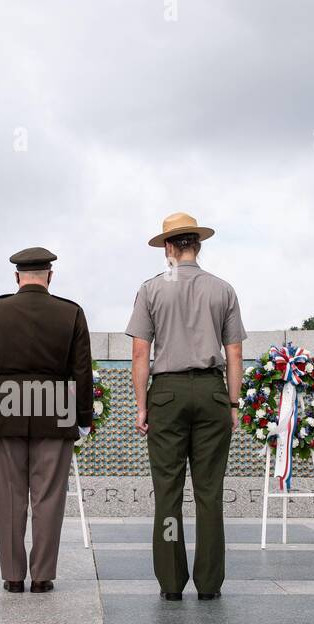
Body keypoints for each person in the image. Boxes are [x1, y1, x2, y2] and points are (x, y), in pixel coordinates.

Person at [125, 213, 246, 601]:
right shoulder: (222, 289)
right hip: (212, 392)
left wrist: (142, 405)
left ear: (167, 247)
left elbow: (140, 352)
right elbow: (235, 353)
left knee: (168, 493)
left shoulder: (151, 290)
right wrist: (232, 402)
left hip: (167, 394)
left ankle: (172, 583)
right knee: (210, 492)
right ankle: (209, 584)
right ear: (198, 245)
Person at [0, 247, 93, 593]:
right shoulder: (70, 313)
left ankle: (12, 576)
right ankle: (41, 576)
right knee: (49, 496)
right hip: (55, 409)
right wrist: (83, 418)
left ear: (17, 278)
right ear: (50, 276)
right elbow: (81, 371)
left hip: (5, 409)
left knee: (8, 496)